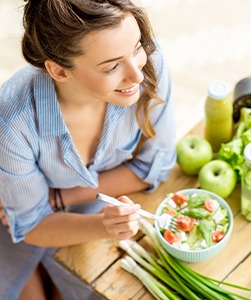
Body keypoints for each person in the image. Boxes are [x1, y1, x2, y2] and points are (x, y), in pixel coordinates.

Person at [0, 0, 176, 299]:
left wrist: (60, 197)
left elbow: (153, 168)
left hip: (72, 207)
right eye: (111, 66)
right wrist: (105, 225)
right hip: (14, 214)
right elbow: (30, 225)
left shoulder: (148, 64)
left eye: (136, 47)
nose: (137, 74)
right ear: (59, 71)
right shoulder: (13, 121)